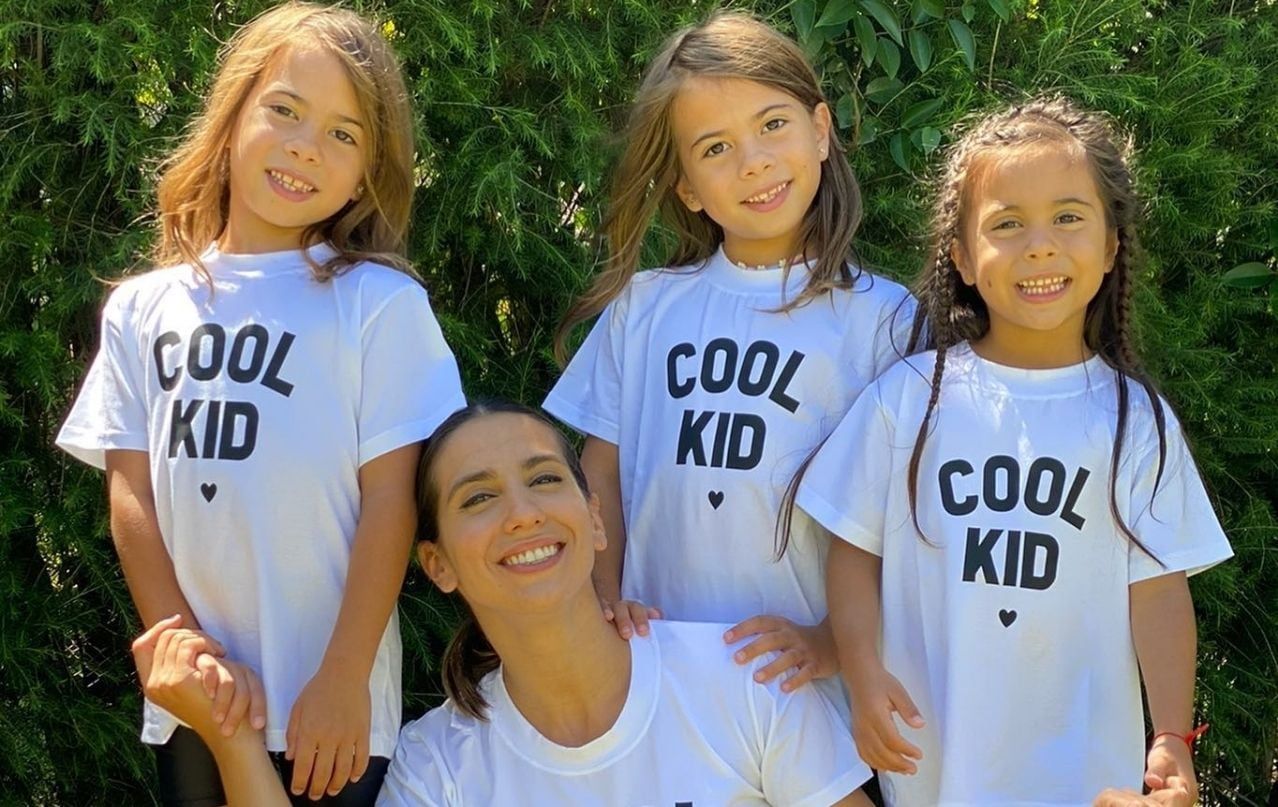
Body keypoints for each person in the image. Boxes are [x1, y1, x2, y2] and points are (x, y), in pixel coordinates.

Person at [56, 4, 465, 803]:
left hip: (329, 708)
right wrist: (179, 646)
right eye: (285, 110)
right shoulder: (143, 307)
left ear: (367, 171)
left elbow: (391, 499)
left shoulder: (379, 305)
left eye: (344, 134)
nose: (307, 146)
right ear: (235, 112)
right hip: (194, 700)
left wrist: (344, 673)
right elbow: (130, 492)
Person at [795, 97, 1233, 805]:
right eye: (1007, 224)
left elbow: (1157, 589)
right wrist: (863, 672)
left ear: (1112, 244)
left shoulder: (1133, 418)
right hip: (934, 769)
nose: (1040, 245)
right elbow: (854, 549)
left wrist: (1172, 737)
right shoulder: (908, 398)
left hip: (1085, 779)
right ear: (963, 257)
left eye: (1068, 216)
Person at [130, 402, 876, 807]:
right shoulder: (440, 767)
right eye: (479, 497)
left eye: (545, 479)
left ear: (595, 519)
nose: (521, 513)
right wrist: (230, 740)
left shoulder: (743, 678)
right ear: (439, 563)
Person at [543, 11, 912, 716]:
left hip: (809, 695)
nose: (754, 162)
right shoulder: (646, 308)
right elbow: (603, 475)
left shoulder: (886, 321)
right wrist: (601, 597)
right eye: (715, 148)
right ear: (685, 186)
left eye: (773, 125)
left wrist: (833, 642)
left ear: (822, 129)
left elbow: (901, 521)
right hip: (658, 677)